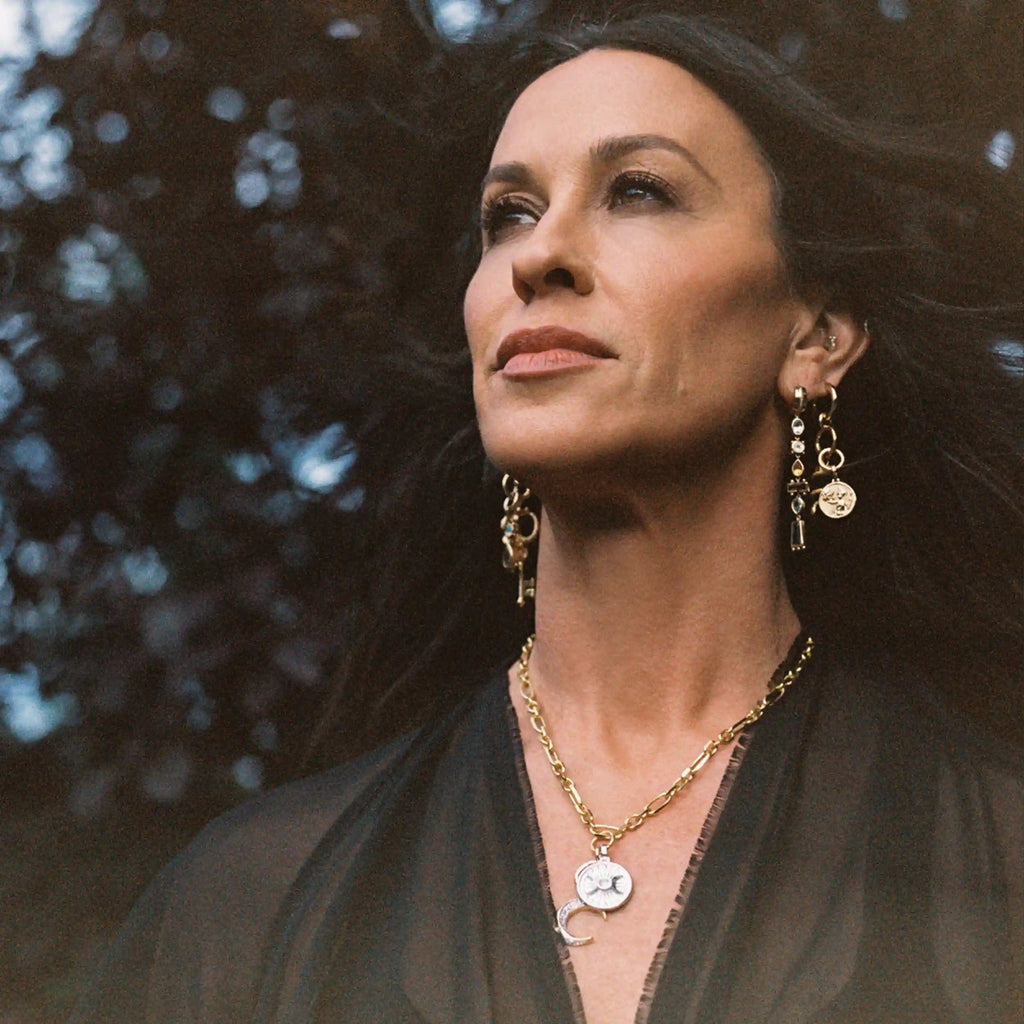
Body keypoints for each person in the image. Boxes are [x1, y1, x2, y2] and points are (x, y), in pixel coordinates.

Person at [71, 9, 1023, 1024]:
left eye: (638, 191)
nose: (540, 257)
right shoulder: (248, 908)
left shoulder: (995, 865)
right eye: (508, 214)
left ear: (817, 335)